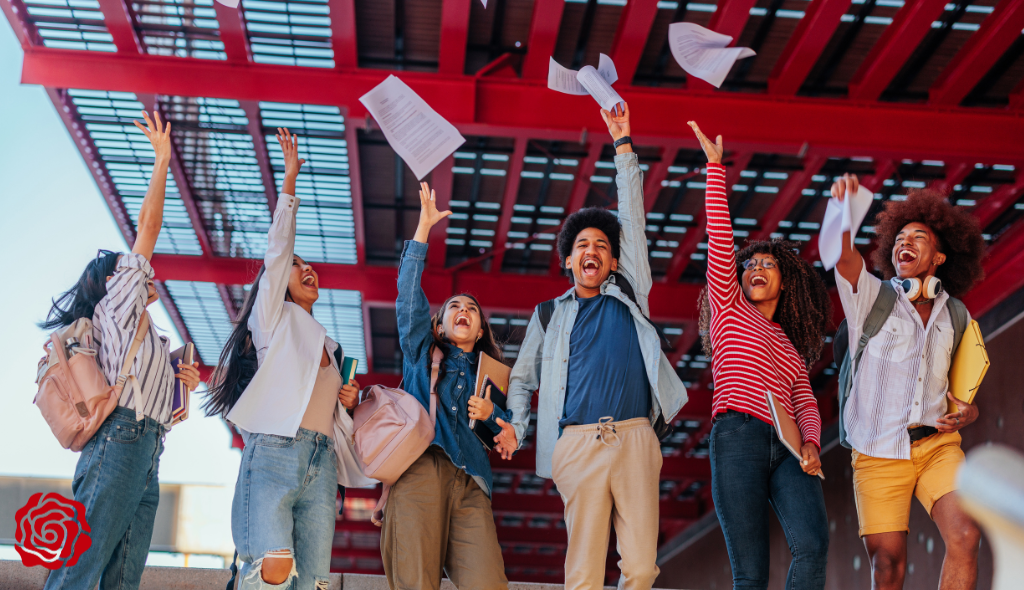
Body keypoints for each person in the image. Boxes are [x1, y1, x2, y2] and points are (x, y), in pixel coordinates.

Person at [503, 103, 688, 590]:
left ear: (613, 260)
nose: (593, 251)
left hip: (633, 438)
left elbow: (632, 214)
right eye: (583, 245)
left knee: (642, 568)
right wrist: (517, 429)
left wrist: (622, 145)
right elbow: (521, 379)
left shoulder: (631, 292)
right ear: (569, 259)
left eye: (603, 246)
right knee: (583, 572)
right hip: (577, 444)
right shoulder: (549, 314)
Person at [204, 128, 374, 590]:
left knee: (315, 581)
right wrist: (291, 181)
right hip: (275, 450)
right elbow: (276, 253)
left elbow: (334, 414)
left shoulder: (335, 348)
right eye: (298, 266)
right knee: (274, 565)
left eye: (308, 264)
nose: (306, 268)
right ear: (278, 283)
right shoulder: (271, 322)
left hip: (321, 461)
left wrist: (349, 399)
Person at [40, 111, 201, 590]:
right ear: (114, 280)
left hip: (147, 448)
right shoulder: (116, 303)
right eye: (132, 269)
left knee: (120, 581)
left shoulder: (143, 331)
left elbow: (157, 400)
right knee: (78, 573)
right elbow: (147, 234)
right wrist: (162, 161)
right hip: (120, 442)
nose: (144, 273)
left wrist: (178, 385)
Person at [688, 122, 832, 590]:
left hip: (790, 448)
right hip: (738, 437)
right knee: (750, 575)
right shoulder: (727, 307)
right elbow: (719, 239)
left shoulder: (790, 347)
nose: (755, 268)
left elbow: (806, 402)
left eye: (766, 263)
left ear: (783, 281)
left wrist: (811, 442)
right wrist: (715, 170)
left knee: (812, 547)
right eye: (749, 263)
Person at [830, 173, 985, 590]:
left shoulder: (956, 317)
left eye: (918, 237)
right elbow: (843, 258)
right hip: (877, 451)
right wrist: (843, 213)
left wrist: (967, 414)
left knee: (966, 537)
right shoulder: (870, 298)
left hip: (937, 447)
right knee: (887, 568)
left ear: (939, 259)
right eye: (899, 238)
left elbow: (960, 392)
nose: (905, 243)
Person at [381, 180, 513, 590]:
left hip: (472, 481)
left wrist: (498, 420)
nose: (463, 311)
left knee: (489, 583)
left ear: (479, 330)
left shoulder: (491, 377)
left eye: (472, 309)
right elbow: (408, 298)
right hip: (421, 467)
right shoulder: (422, 351)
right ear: (439, 324)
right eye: (454, 306)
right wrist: (423, 230)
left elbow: (503, 435)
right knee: (415, 583)